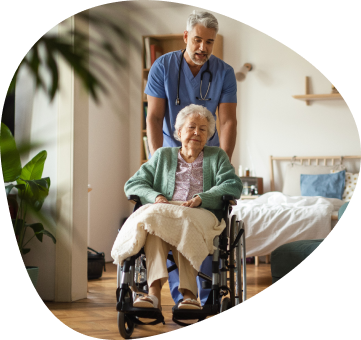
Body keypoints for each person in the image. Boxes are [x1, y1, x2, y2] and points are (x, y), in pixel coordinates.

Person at [145, 11, 238, 306]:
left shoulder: (223, 72)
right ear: (186, 37)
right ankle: (175, 295)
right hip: (171, 152)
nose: (202, 48)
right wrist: (158, 162)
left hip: (206, 155)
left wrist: (221, 165)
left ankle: (199, 295)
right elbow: (154, 116)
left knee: (196, 215)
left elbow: (227, 123)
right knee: (165, 217)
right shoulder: (163, 67)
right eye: (197, 39)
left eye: (209, 42)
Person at [124, 105, 242, 310]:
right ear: (179, 132)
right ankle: (153, 295)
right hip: (165, 211)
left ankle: (189, 295)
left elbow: (232, 185)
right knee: (153, 223)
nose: (197, 132)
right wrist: (156, 196)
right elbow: (133, 184)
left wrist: (202, 198)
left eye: (203, 129)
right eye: (191, 127)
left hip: (201, 213)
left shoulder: (217, 157)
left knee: (184, 219)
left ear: (208, 135)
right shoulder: (162, 156)